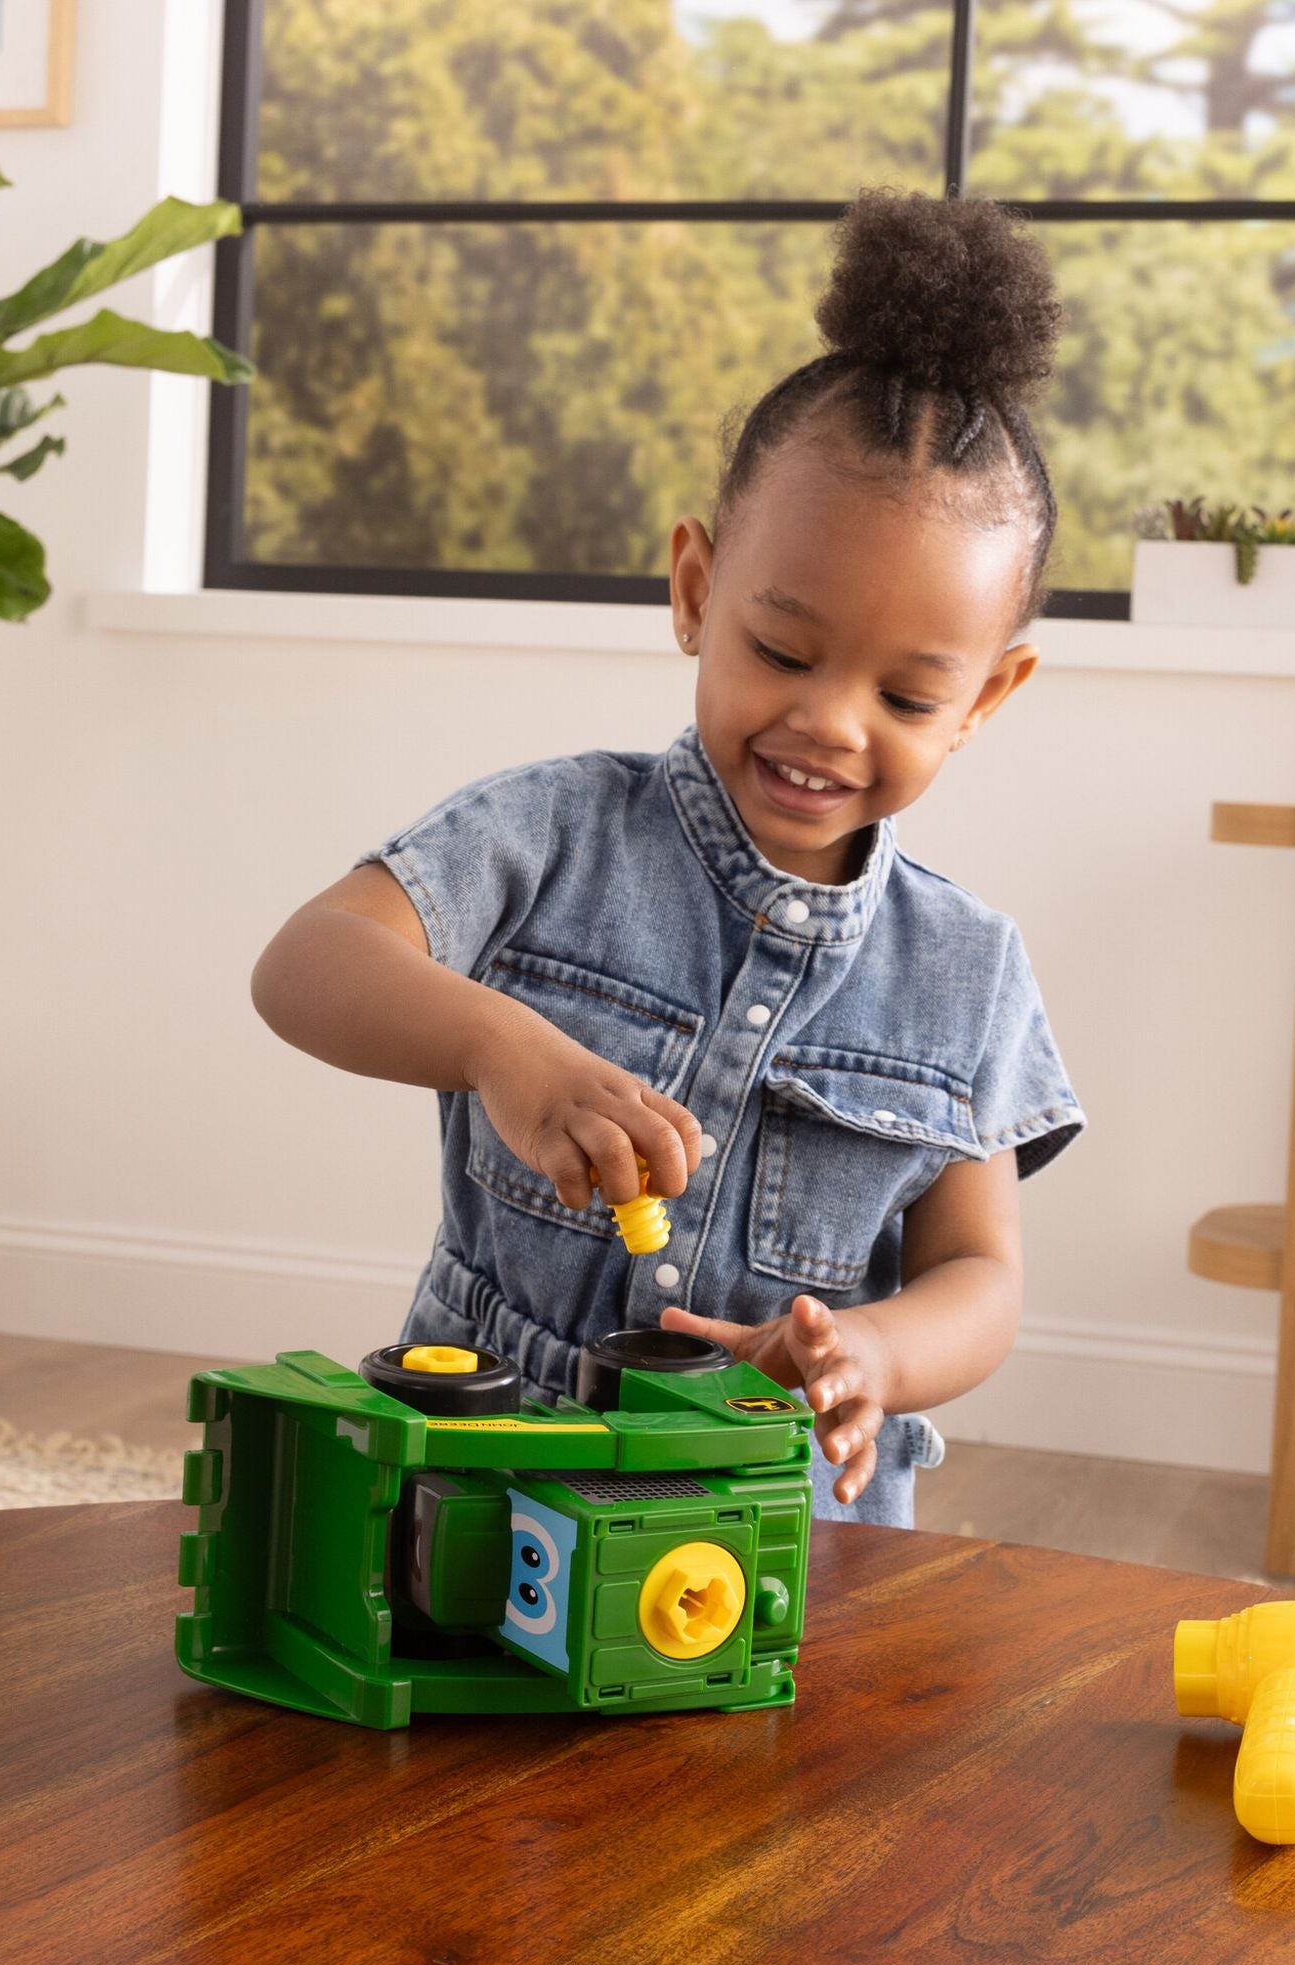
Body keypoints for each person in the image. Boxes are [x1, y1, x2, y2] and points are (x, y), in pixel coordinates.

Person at [251, 188, 1083, 1526]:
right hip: (488, 1471)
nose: (829, 721)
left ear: (986, 700)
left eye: (910, 699)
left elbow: (981, 1278)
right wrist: (500, 1049)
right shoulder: (550, 834)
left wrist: (874, 1352)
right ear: (698, 591)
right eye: (783, 649)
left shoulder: (970, 969)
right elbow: (306, 964)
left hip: (785, 1517)